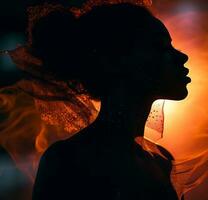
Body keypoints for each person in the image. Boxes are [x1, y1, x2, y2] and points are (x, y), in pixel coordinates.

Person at [30, 3, 190, 200]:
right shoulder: (69, 160)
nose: (182, 56)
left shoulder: (162, 161)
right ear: (113, 62)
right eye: (160, 46)